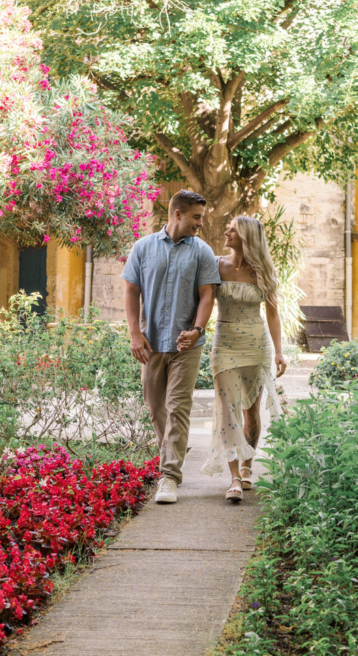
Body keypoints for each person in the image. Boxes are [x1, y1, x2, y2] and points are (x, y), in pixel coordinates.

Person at [121, 189, 221, 504]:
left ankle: (169, 476)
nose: (200, 224)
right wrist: (135, 334)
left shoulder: (202, 251)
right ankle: (172, 454)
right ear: (177, 213)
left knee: (178, 407)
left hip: (186, 345)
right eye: (196, 217)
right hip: (150, 343)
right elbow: (130, 290)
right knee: (155, 407)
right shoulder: (143, 248)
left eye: (201, 218)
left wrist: (197, 329)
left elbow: (208, 295)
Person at [202, 215, 287, 503]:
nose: (226, 231)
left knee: (251, 411)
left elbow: (273, 315)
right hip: (223, 345)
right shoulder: (215, 264)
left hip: (256, 347)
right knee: (228, 412)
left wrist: (279, 350)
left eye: (233, 229)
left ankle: (249, 464)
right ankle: (234, 477)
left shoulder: (263, 270)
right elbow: (204, 301)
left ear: (247, 236)